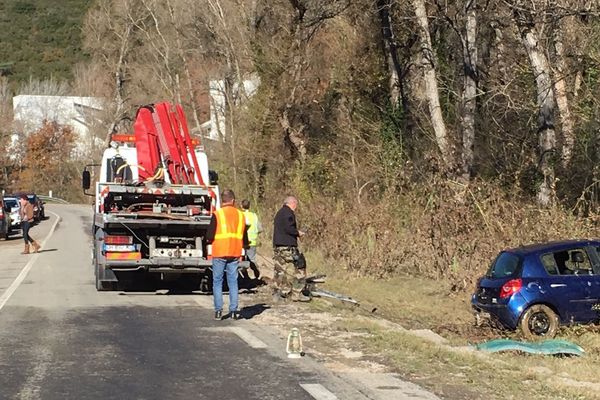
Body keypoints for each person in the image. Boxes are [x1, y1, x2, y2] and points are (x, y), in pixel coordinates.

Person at [207, 189, 247, 320]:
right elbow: (244, 237)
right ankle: (234, 311)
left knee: (217, 282)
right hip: (235, 252)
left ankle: (218, 311)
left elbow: (209, 236)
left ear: (222, 201)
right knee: (233, 282)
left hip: (219, 252)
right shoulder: (241, 215)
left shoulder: (217, 214)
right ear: (233, 200)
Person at [272, 195, 309, 301]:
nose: (296, 207)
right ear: (292, 203)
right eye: (296, 205)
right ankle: (297, 293)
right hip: (288, 246)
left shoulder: (279, 213)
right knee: (300, 265)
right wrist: (298, 233)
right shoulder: (289, 213)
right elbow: (288, 228)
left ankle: (279, 292)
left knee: (279, 269)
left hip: (278, 245)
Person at [241, 199, 262, 279]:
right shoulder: (254, 215)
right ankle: (255, 270)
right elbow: (260, 228)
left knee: (242, 259)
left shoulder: (240, 215)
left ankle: (245, 276)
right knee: (251, 259)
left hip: (241, 242)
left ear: (241, 206)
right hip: (252, 241)